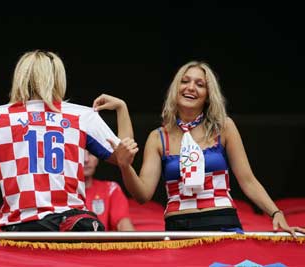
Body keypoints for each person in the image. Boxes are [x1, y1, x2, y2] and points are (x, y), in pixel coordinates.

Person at [0, 50, 133, 232]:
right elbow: (125, 156)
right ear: (58, 77)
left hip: (22, 226)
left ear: (20, 77)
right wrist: (122, 109)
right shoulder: (80, 116)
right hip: (71, 227)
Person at [109, 61, 305, 237]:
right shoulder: (158, 137)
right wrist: (125, 166)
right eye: (185, 81)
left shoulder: (224, 127)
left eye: (200, 84)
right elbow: (142, 195)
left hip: (223, 223)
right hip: (179, 228)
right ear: (175, 89)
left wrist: (276, 212)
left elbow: (248, 181)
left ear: (208, 96)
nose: (191, 87)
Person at [84, 150, 135, 231]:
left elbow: (123, 224)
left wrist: (134, 243)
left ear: (97, 159)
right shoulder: (59, 192)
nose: (85, 159)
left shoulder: (110, 188)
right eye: (80, 152)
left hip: (101, 243)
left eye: (91, 153)